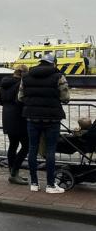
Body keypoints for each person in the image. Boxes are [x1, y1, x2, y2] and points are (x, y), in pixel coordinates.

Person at [18, 53, 70, 194]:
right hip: (52, 119)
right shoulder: (59, 76)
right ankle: (50, 185)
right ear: (54, 63)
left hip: (32, 118)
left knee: (33, 149)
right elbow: (65, 97)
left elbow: (20, 97)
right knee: (50, 150)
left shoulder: (26, 76)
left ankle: (34, 183)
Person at [0, 65, 29, 185]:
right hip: (19, 117)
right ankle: (15, 173)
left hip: (7, 117)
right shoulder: (21, 84)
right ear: (23, 73)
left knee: (13, 145)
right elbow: (21, 100)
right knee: (26, 146)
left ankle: (13, 173)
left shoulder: (4, 83)